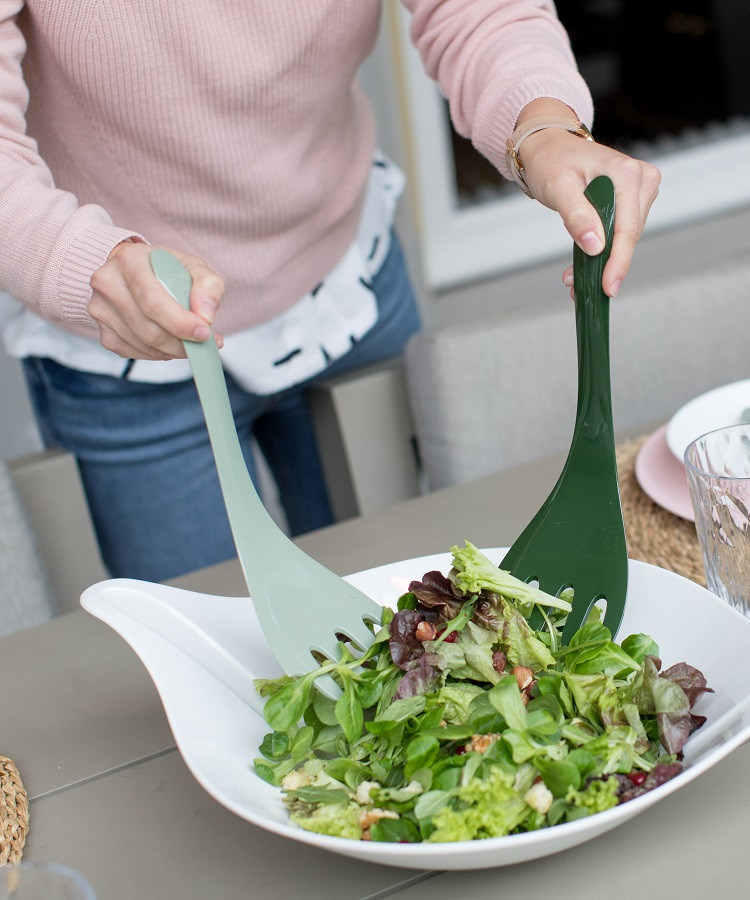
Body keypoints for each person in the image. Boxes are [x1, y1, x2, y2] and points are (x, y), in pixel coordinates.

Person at [0, 1, 660, 582]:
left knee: (417, 621)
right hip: (133, 350)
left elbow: (478, 10)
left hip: (350, 292)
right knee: (228, 656)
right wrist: (81, 259)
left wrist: (543, 128)